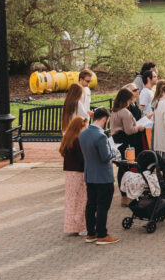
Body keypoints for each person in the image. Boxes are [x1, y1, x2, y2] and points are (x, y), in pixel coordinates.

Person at [79, 108, 118, 245]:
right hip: (103, 176)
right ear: (104, 119)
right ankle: (102, 234)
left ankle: (91, 233)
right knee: (102, 205)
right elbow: (105, 156)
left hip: (90, 174)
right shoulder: (101, 136)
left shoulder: (83, 134)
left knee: (91, 205)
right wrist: (114, 150)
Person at [110, 87, 144, 206]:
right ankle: (126, 196)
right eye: (130, 99)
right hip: (127, 141)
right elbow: (129, 130)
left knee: (122, 167)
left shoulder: (114, 111)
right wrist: (138, 128)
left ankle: (124, 195)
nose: (131, 102)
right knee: (126, 167)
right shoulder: (125, 112)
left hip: (117, 140)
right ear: (126, 100)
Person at [59, 116, 88, 237]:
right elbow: (83, 159)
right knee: (82, 199)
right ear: (80, 127)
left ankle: (71, 226)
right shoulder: (78, 140)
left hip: (70, 173)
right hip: (79, 172)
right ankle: (81, 226)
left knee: (71, 200)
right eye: (85, 126)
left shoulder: (68, 138)